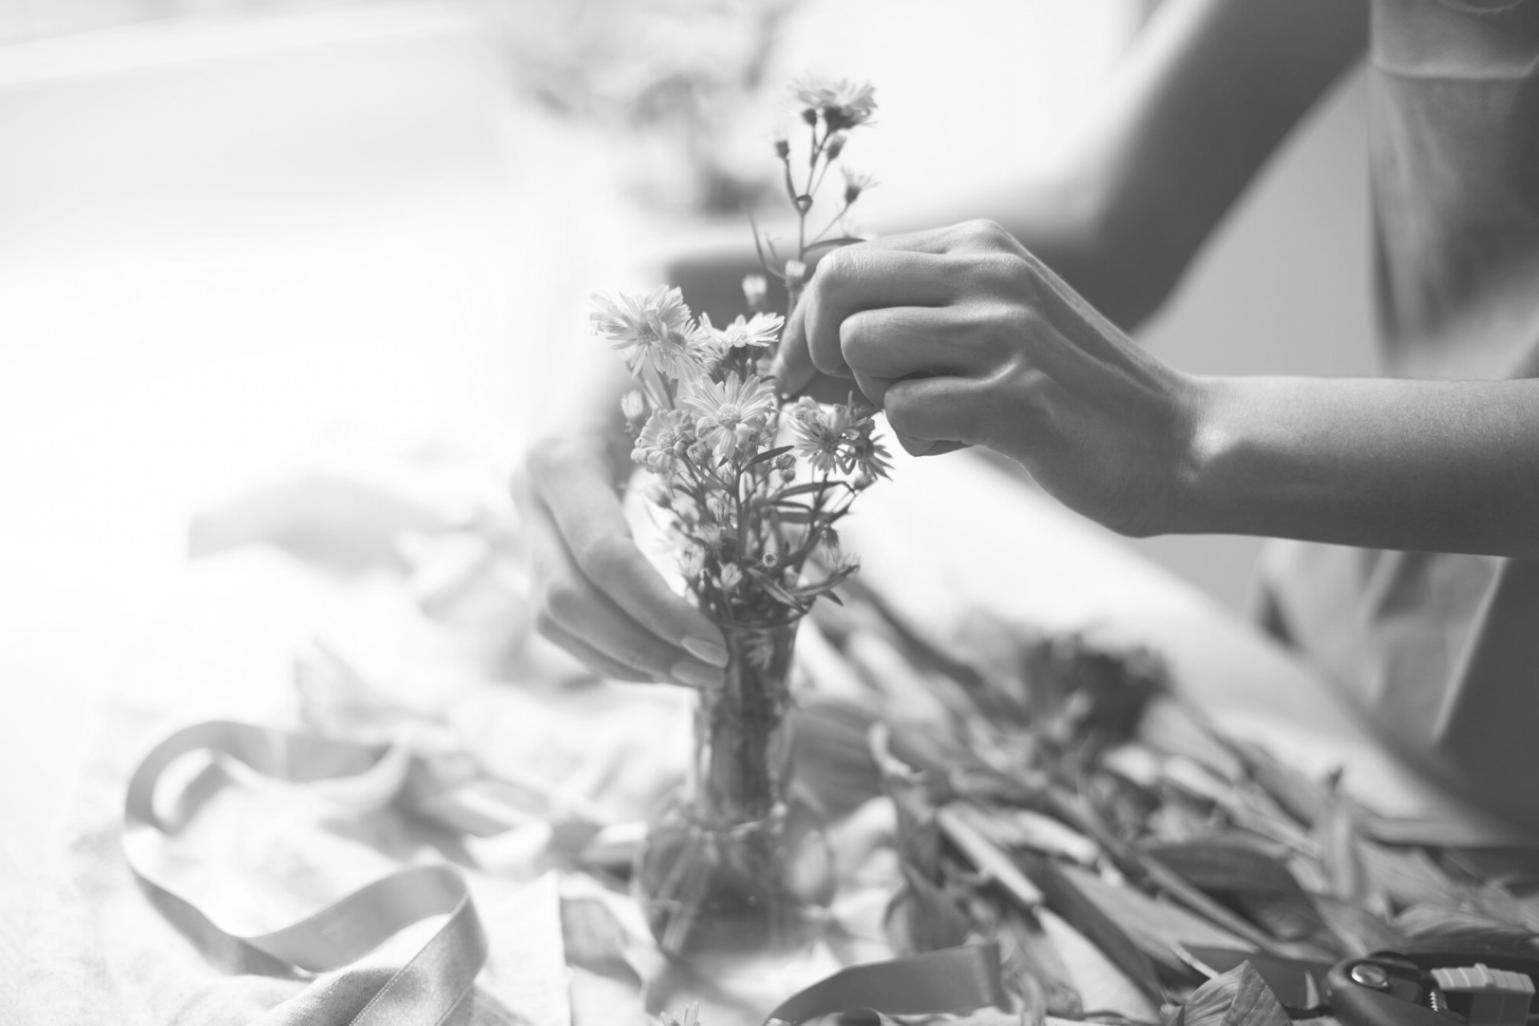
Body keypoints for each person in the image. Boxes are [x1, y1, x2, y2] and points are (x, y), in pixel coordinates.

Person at [516, 0, 1539, 823]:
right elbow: (1109, 215)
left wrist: (1187, 439)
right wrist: (660, 288)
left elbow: (1175, 417)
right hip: (1346, 658)